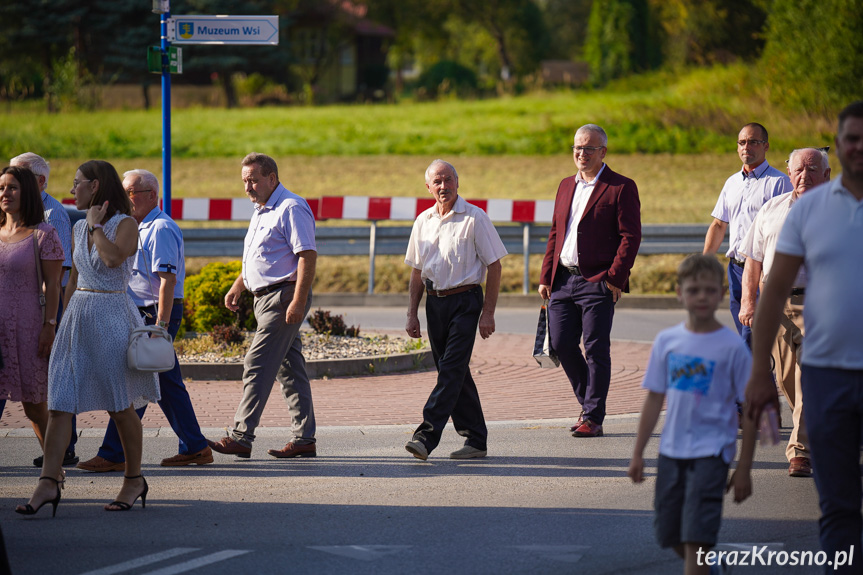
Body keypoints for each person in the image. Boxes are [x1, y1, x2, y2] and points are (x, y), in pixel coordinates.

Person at [747, 101, 863, 573]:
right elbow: (772, 285)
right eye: (850, 138)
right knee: (838, 505)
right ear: (840, 147)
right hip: (830, 368)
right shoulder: (803, 212)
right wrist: (757, 369)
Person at [16, 160, 160, 516]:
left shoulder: (125, 224)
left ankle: (134, 478)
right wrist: (59, 322)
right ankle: (48, 483)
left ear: (95, 186)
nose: (71, 189)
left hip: (112, 315)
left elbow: (112, 260)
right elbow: (74, 282)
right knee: (61, 402)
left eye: (77, 183)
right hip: (78, 316)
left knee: (119, 405)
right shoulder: (79, 228)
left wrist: (96, 227)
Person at [629, 254, 756, 575]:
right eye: (694, 289)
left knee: (696, 538)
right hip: (672, 452)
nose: (702, 296)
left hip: (713, 453)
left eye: (710, 290)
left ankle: (702, 564)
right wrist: (638, 453)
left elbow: (751, 410)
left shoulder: (732, 347)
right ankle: (711, 568)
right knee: (670, 534)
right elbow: (654, 399)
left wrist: (743, 468)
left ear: (722, 294)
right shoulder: (668, 342)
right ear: (679, 293)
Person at [77, 169, 212, 472]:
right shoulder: (134, 226)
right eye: (124, 192)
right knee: (164, 383)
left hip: (154, 314)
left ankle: (114, 453)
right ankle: (195, 446)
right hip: (140, 313)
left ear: (152, 195)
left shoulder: (160, 228)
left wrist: (160, 329)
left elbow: (166, 281)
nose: (127, 199)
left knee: (135, 382)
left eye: (132, 193)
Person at [207, 153, 318, 460]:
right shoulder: (261, 210)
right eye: (244, 181)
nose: (248, 188)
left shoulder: (291, 206)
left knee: (257, 364)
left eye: (253, 180)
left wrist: (297, 300)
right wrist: (239, 284)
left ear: (272, 178)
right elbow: (262, 256)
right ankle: (305, 438)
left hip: (283, 297)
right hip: (264, 298)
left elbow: (307, 255)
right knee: (290, 370)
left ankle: (241, 436)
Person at [538, 124, 642, 438]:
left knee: (596, 348)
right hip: (562, 280)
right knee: (561, 343)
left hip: (598, 280)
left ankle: (593, 417)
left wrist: (614, 278)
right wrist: (546, 275)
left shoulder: (620, 187)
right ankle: (589, 406)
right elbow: (556, 233)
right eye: (577, 149)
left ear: (603, 152)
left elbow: (631, 236)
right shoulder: (565, 186)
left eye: (589, 149)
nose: (581, 154)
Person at [403, 159, 507, 461]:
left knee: (450, 370)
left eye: (448, 179)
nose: (443, 186)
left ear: (457, 182)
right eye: (437, 181)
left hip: (466, 302)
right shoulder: (422, 221)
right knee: (454, 372)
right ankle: (475, 439)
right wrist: (412, 312)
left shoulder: (475, 218)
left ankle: (425, 436)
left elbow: (495, 265)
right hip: (434, 303)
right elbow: (416, 271)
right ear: (428, 187)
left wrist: (488, 312)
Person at [738, 148, 831, 478]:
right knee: (787, 379)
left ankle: (800, 452)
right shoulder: (771, 209)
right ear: (789, 175)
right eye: (798, 170)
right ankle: (816, 428)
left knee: (810, 377)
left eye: (811, 169)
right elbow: (753, 259)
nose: (804, 175)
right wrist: (748, 301)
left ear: (827, 175)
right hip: (774, 306)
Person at [8, 152, 79, 468]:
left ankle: (63, 449)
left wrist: (53, 321)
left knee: (47, 389)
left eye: (17, 180)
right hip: (13, 318)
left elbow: (60, 272)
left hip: (40, 314)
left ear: (37, 181)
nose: (8, 190)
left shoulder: (53, 216)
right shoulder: (8, 222)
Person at [703, 123, 792, 346]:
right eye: (742, 142)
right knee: (747, 330)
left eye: (753, 142)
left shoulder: (780, 183)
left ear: (766, 146)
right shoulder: (731, 183)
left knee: (752, 336)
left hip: (762, 270)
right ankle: (766, 378)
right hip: (735, 269)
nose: (746, 147)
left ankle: (755, 380)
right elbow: (718, 225)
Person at [0, 166, 63, 460]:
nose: (4, 193)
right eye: (1, 188)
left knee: (34, 405)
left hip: (27, 326)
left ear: (27, 192)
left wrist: (50, 325)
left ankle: (54, 468)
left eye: (12, 187)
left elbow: (53, 286)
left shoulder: (44, 234)